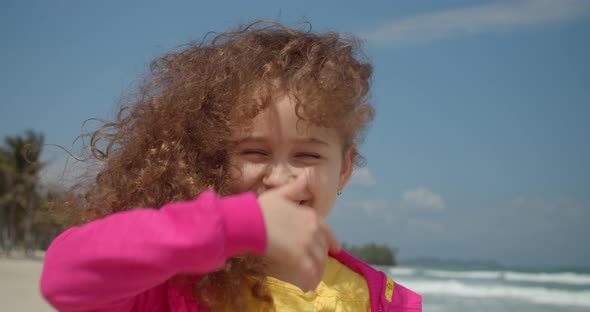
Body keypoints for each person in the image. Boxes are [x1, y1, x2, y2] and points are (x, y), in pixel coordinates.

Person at [40, 20, 422, 311]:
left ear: (344, 168)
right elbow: (63, 275)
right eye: (254, 152)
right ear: (214, 158)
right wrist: (235, 226)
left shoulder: (377, 299)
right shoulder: (174, 280)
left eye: (308, 155)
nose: (279, 176)